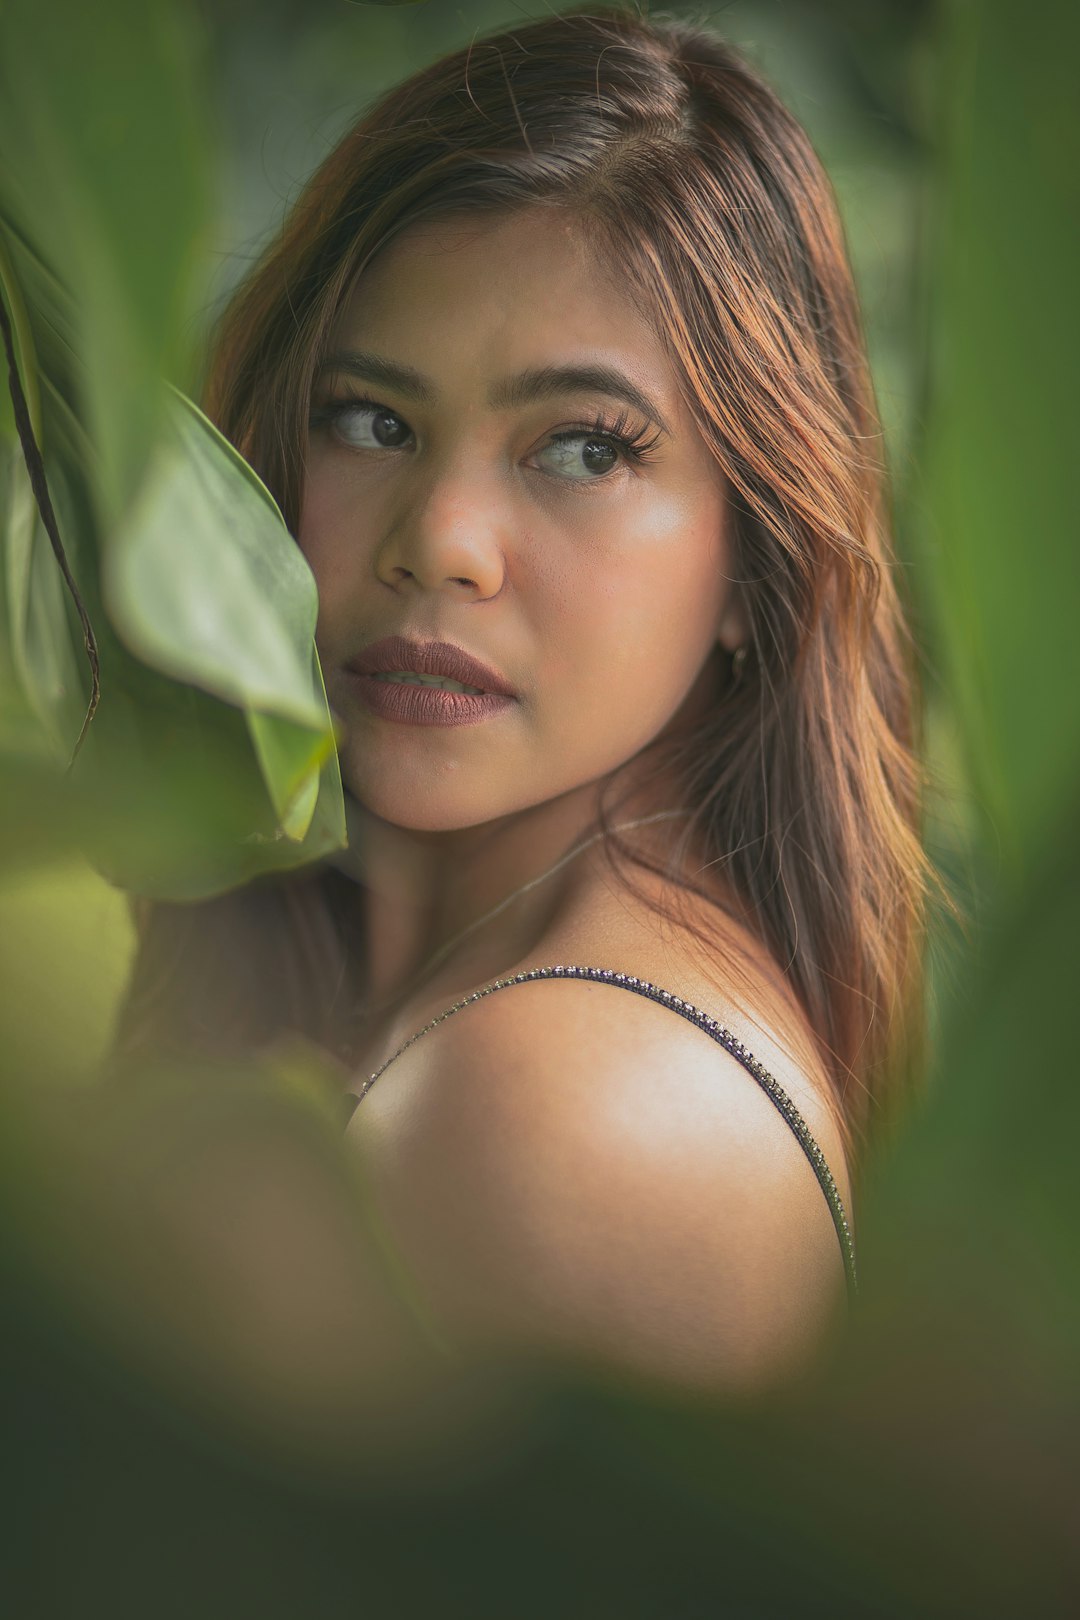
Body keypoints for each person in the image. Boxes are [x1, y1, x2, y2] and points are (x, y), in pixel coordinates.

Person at [121, 5, 930, 1393]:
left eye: (579, 449)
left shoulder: (568, 1114)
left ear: (756, 560)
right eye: (371, 420)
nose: (441, 538)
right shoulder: (437, 1008)